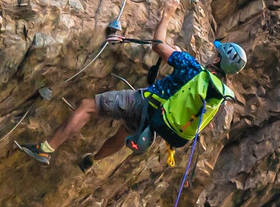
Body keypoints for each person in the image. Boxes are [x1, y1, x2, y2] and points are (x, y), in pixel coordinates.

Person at [32, 29, 245, 167]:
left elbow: (157, 44)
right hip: (153, 122)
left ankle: (45, 150)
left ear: (217, 59)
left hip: (140, 102)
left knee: (87, 106)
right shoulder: (216, 93)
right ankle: (93, 161)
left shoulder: (191, 66)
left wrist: (167, 13)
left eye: (216, 54)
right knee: (124, 133)